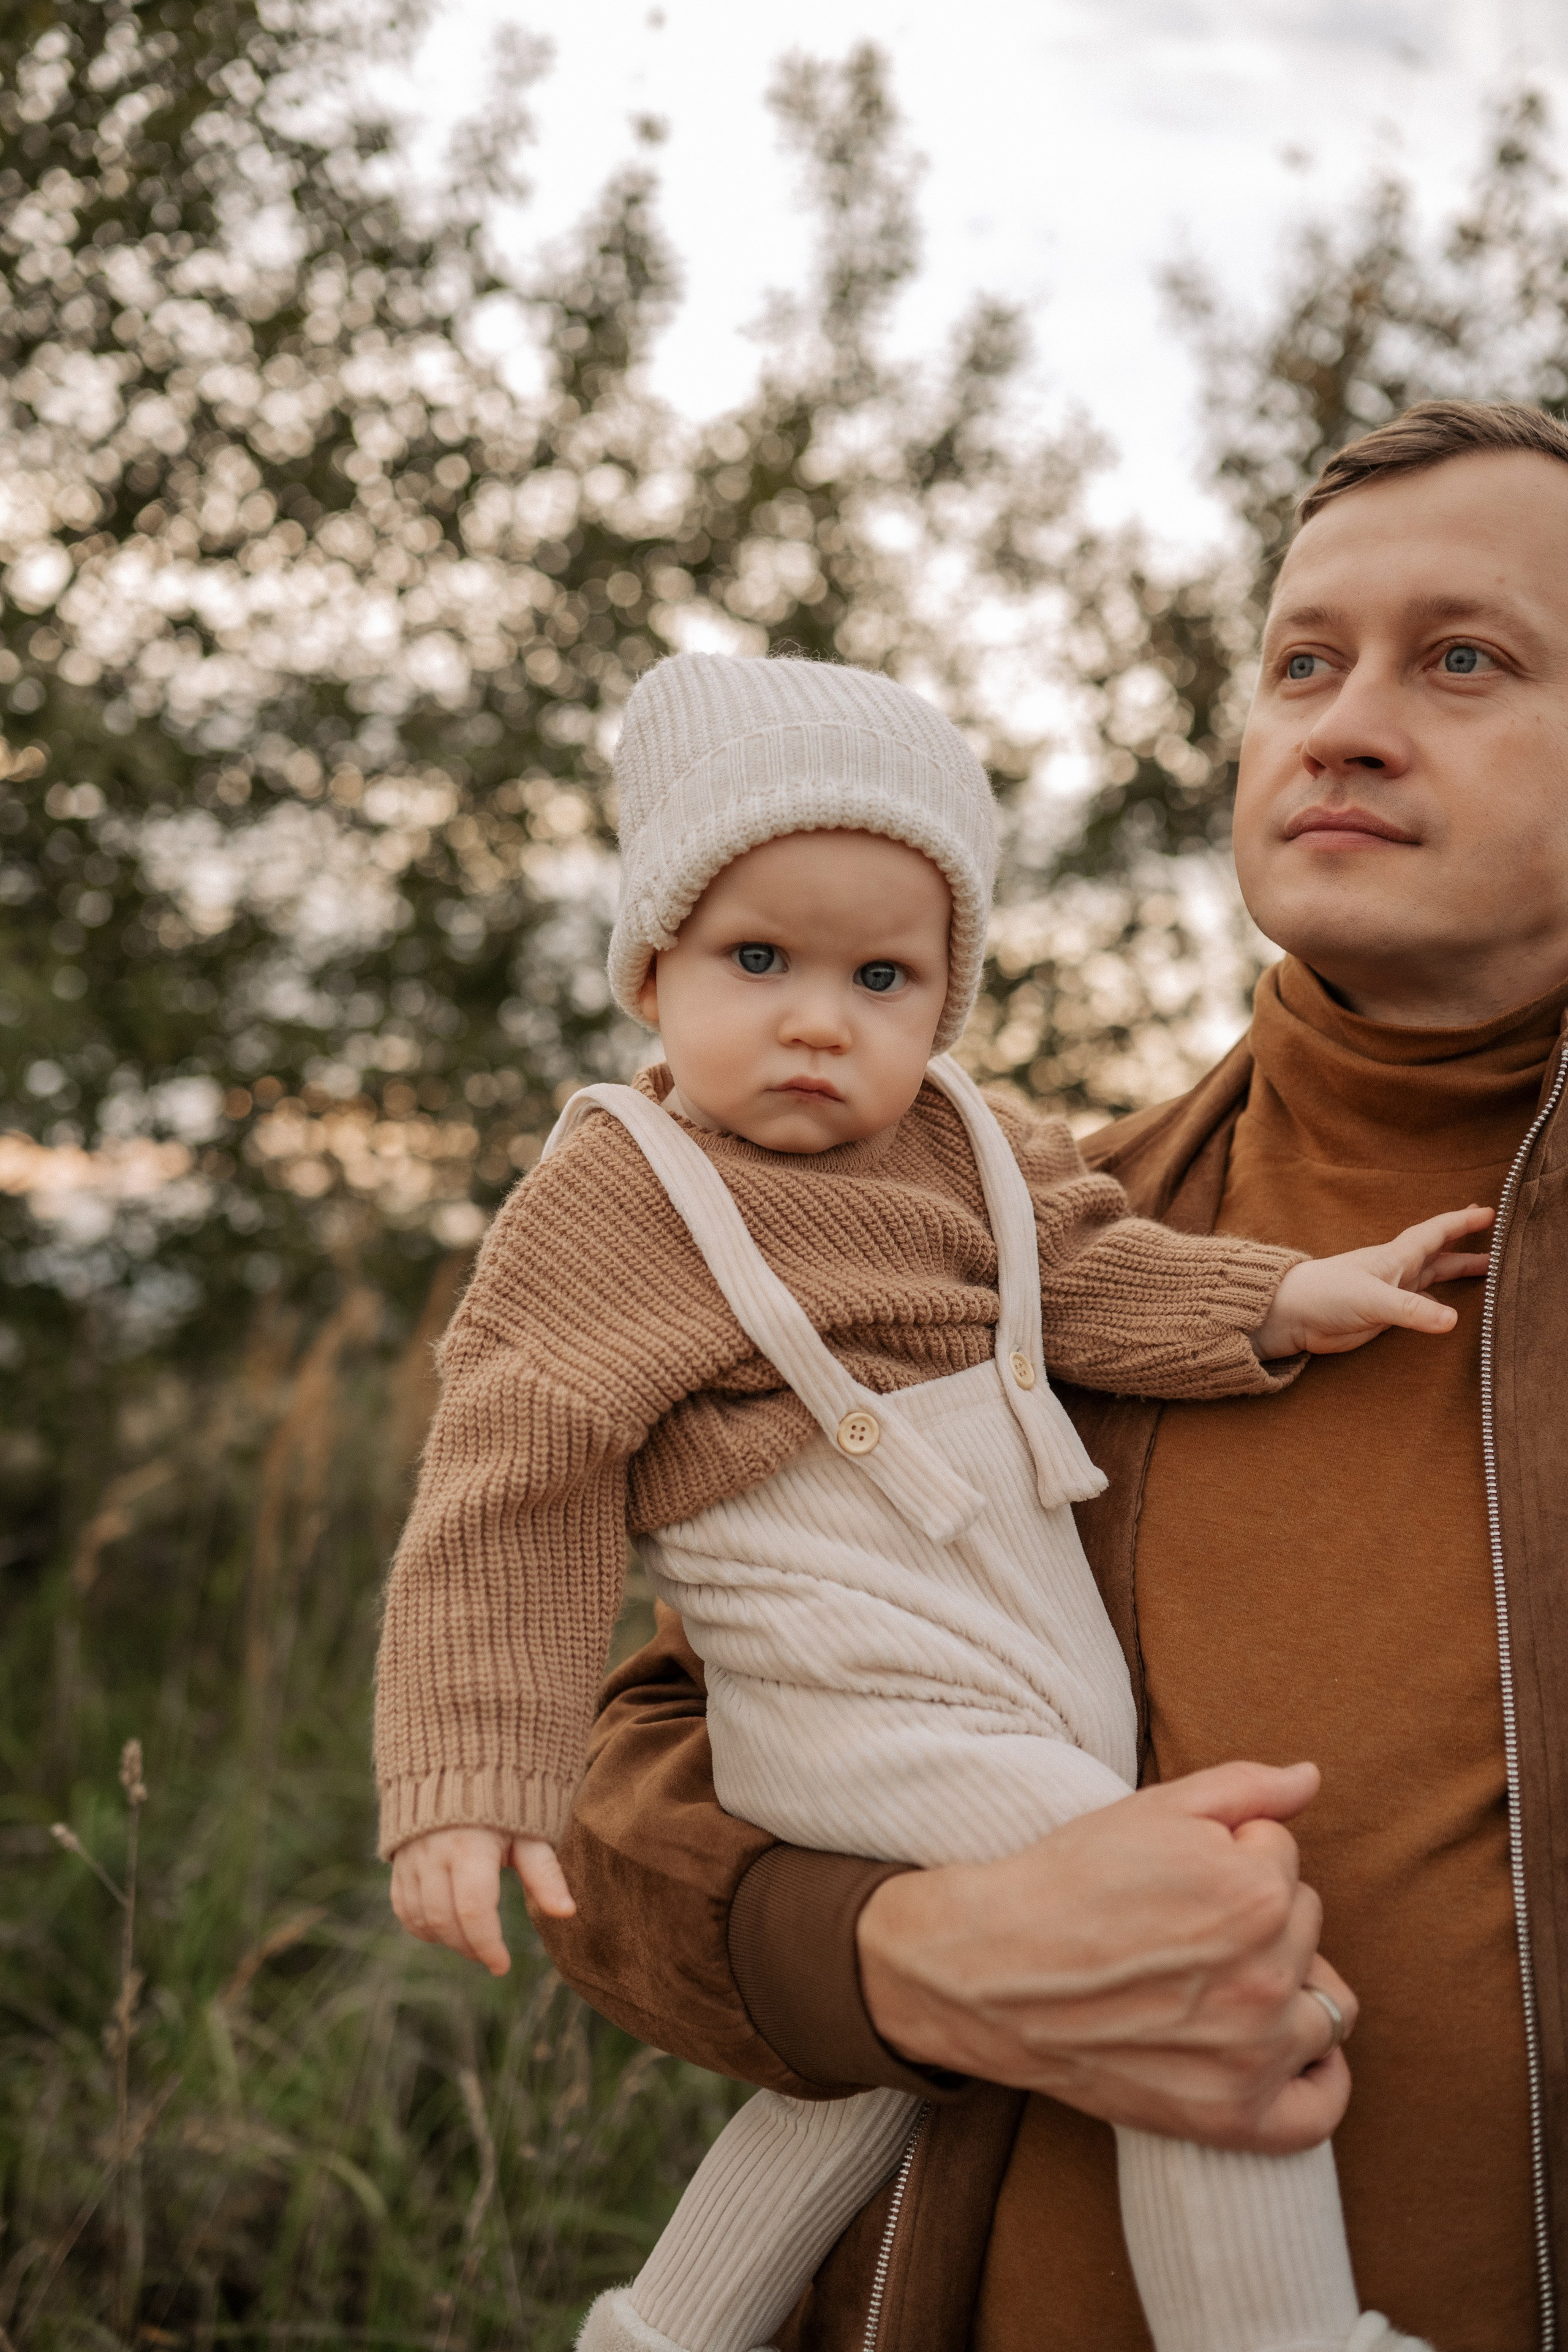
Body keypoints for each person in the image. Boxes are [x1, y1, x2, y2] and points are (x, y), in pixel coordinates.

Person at [509, 400, 1568, 2352]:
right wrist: (896, 1957)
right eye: (1301, 663)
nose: (1342, 720)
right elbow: (637, 1768)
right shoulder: (1010, 1242)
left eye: (1468, 658)